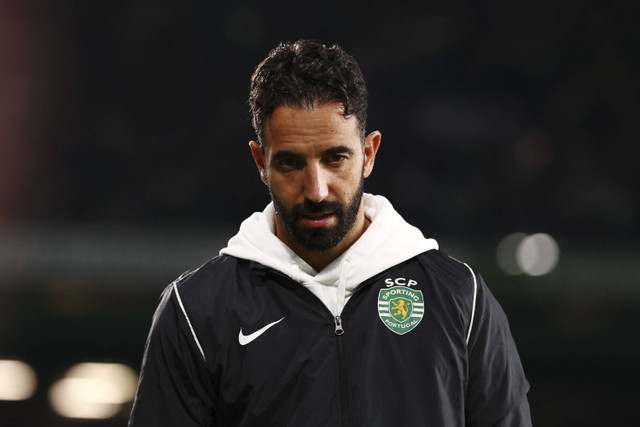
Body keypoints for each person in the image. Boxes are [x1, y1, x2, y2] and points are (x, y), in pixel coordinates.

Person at [129, 39, 532, 426]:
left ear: (369, 154)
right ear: (260, 162)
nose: (316, 189)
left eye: (335, 158)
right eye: (290, 163)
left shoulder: (462, 299)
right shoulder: (196, 311)